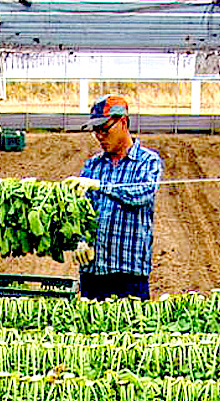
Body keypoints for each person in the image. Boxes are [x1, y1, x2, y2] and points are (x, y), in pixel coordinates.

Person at [64, 95, 162, 301]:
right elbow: (83, 213)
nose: (99, 135)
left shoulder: (147, 161)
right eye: (95, 130)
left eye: (104, 129)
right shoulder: (93, 165)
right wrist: (80, 241)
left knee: (132, 329)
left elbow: (140, 195)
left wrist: (100, 186)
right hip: (94, 273)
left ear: (123, 122)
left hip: (129, 273)